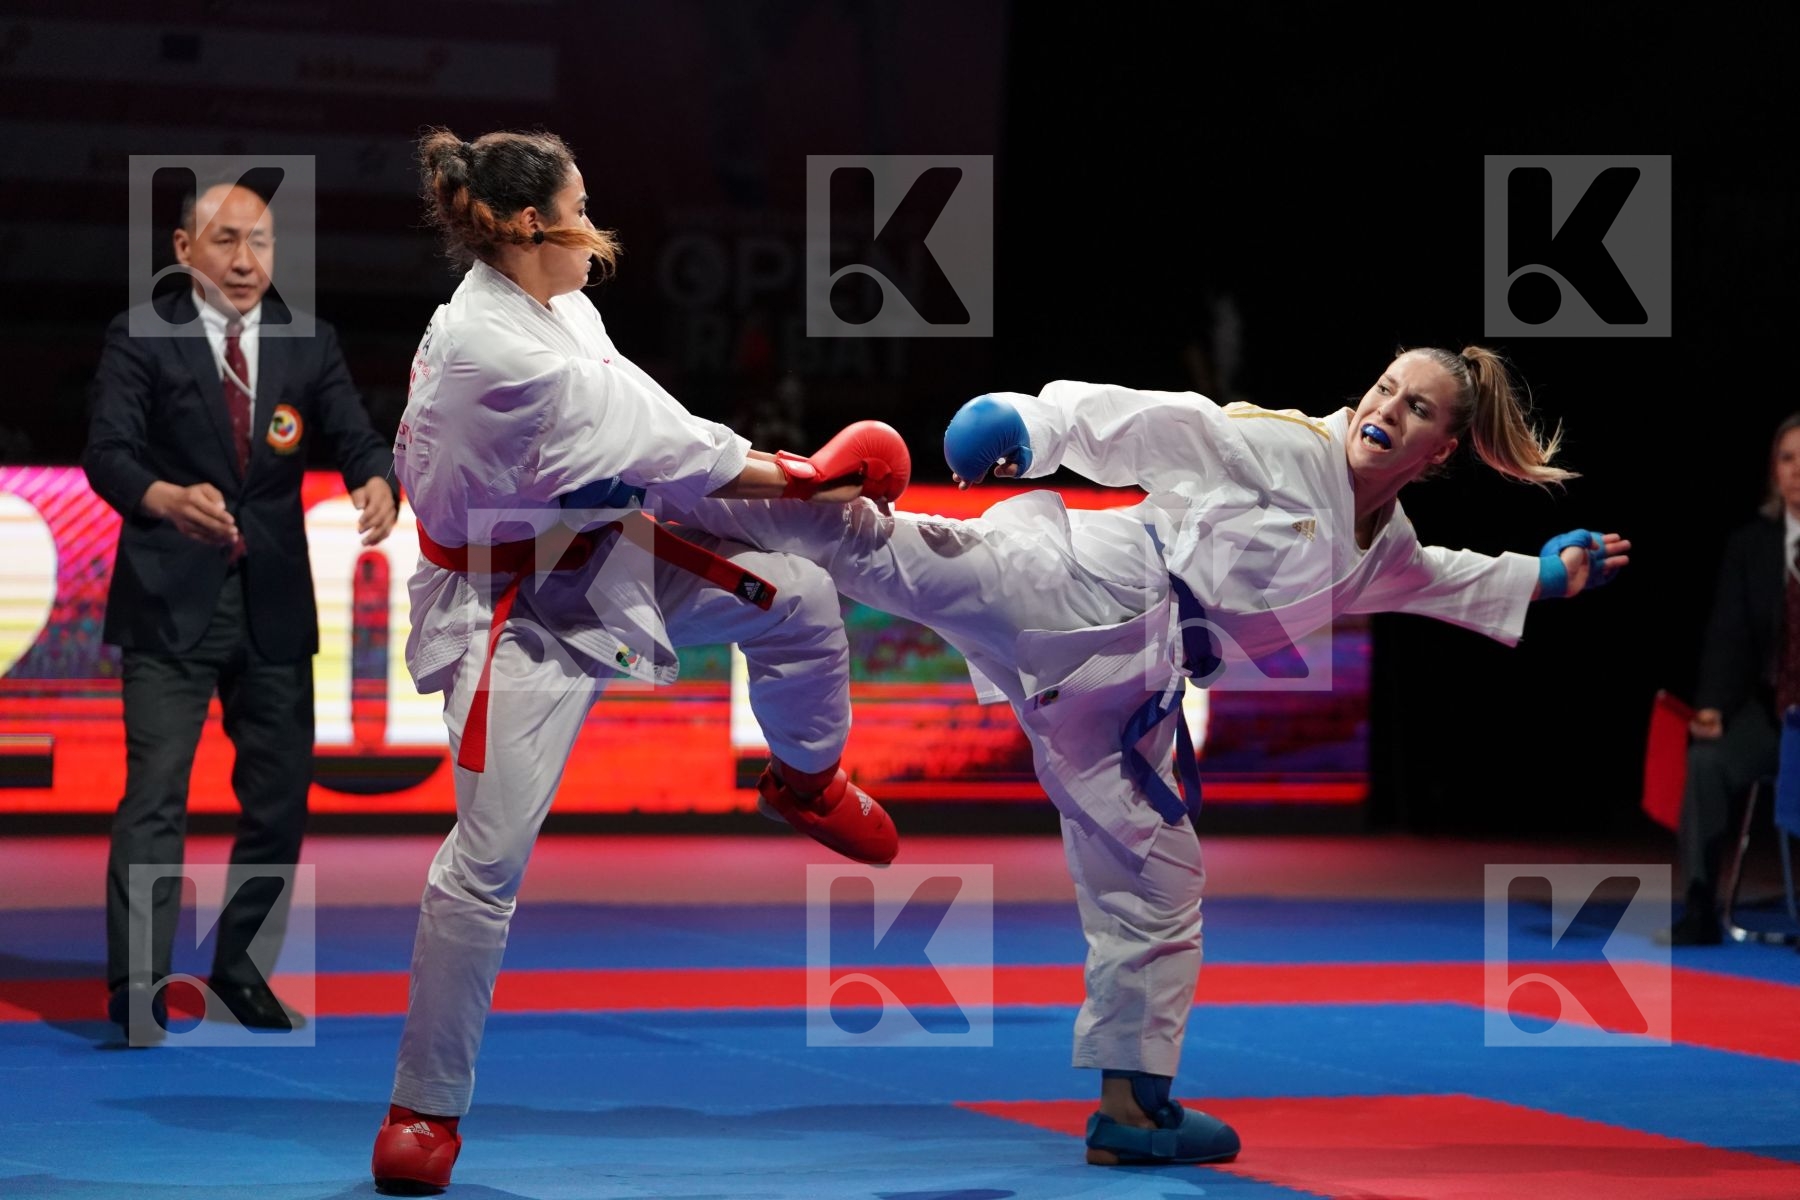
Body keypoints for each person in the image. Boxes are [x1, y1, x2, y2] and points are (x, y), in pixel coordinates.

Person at [658, 346, 1629, 1167]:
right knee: (858, 536)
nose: (1386, 409)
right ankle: (651, 482)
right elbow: (1167, 424)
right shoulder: (1290, 445)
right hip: (1072, 581)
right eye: (1384, 389)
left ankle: (1131, 1110)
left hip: (1122, 704)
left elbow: (1440, 580)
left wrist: (1545, 575)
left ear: (1442, 447)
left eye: (1415, 408)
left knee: (1158, 883)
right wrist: (1031, 423)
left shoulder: (1383, 546)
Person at [371, 128, 909, 1193]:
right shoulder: (499, 349)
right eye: (582, 201)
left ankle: (805, 781)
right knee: (484, 863)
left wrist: (814, 491)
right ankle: (423, 1110)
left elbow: (657, 443)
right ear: (534, 222)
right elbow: (684, 456)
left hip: (590, 549)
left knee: (798, 602)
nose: (595, 220)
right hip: (503, 608)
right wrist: (813, 477)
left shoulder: (558, 308)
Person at [83, 181, 398, 1043]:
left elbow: (355, 430)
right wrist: (160, 497)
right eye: (226, 241)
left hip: (274, 605)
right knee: (155, 795)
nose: (247, 260)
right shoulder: (142, 336)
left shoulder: (309, 340)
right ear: (184, 250)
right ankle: (138, 986)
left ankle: (242, 972)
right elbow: (105, 454)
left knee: (279, 800)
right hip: (167, 602)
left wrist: (377, 475)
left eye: (260, 242)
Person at [1666, 414, 1800, 944]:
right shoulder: (1752, 547)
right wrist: (1713, 706)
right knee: (1706, 760)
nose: (1797, 471)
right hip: (1774, 720)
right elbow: (1729, 636)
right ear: (1774, 471)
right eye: (1788, 458)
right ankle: (1700, 904)